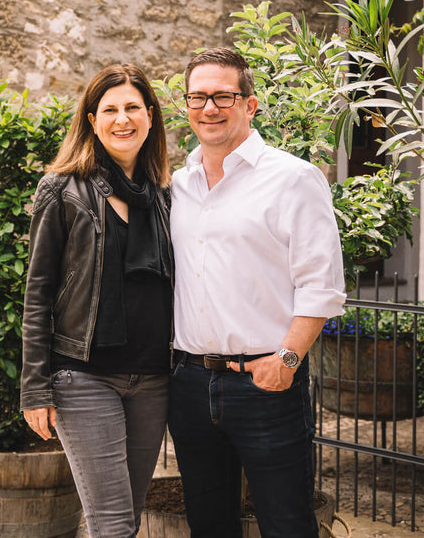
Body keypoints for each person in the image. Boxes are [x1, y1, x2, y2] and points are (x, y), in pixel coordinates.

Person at [167, 47, 346, 538]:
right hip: (188, 383)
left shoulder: (292, 179)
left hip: (265, 380)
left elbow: (322, 284)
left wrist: (286, 361)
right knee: (208, 524)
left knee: (286, 522)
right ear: (185, 106)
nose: (210, 108)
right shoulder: (177, 187)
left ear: (250, 104)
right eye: (198, 97)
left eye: (223, 95)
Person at [21, 63, 173, 538]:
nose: (122, 119)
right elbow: (38, 291)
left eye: (132, 107)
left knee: (126, 517)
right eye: (109, 109)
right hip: (83, 377)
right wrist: (34, 388)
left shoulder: (167, 194)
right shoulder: (62, 189)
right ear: (92, 120)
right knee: (112, 525)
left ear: (150, 116)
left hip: (153, 379)